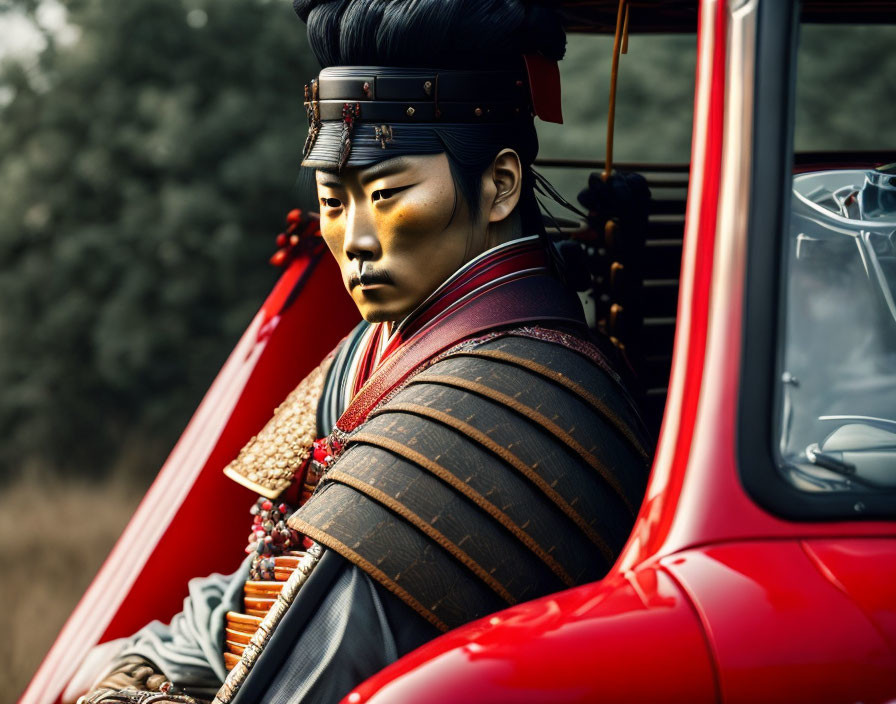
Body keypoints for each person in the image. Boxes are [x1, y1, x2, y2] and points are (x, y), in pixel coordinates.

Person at [71, 1, 652, 702]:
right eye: (334, 201)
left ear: (499, 185)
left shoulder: (509, 401)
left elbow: (310, 674)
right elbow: (255, 589)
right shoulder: (378, 348)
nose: (356, 238)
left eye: (388, 192)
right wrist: (126, 664)